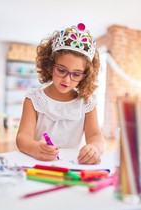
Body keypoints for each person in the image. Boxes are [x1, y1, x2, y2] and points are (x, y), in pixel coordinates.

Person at [16, 22, 106, 164]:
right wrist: (34, 147)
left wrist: (94, 148)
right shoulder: (34, 99)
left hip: (71, 164)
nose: (67, 79)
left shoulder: (87, 103)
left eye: (76, 74)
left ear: (85, 75)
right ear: (50, 65)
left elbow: (96, 135)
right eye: (61, 70)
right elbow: (22, 137)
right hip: (39, 163)